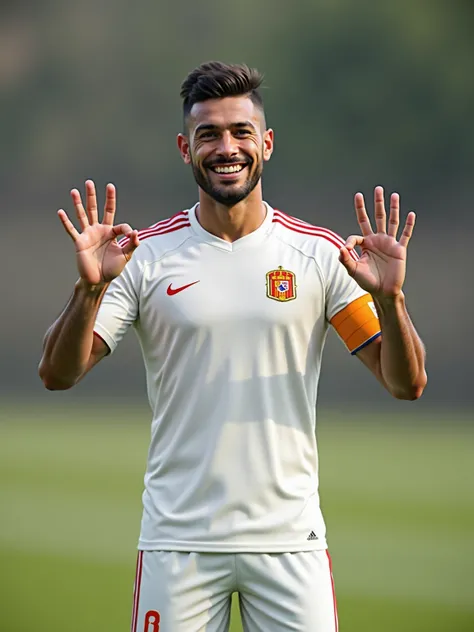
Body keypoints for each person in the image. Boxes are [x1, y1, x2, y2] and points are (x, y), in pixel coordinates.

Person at [39, 61, 427, 632]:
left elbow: (405, 383)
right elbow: (57, 373)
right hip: (179, 543)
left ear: (266, 143)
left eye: (241, 132)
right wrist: (89, 289)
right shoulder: (143, 255)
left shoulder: (319, 255)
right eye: (209, 134)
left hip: (290, 542)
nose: (227, 148)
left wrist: (392, 302)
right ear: (184, 147)